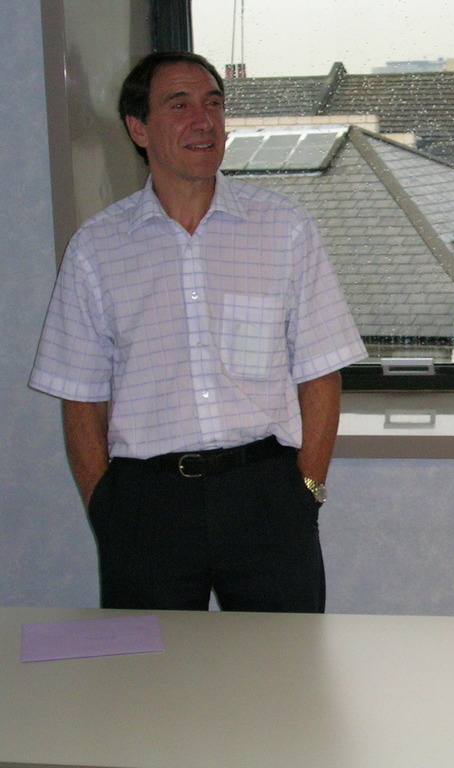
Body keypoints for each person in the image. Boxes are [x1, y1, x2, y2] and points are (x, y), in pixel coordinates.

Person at [29, 51, 367, 613]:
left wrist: (306, 491)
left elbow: (320, 373)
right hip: (148, 503)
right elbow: (80, 395)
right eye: (179, 105)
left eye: (213, 103)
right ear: (139, 129)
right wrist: (107, 508)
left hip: (265, 495)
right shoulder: (97, 248)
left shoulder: (283, 229)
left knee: (283, 662)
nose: (203, 120)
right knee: (150, 664)